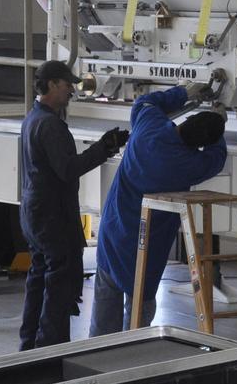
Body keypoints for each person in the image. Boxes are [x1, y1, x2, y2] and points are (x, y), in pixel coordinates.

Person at [89, 83, 228, 335]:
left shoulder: (148, 127)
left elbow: (146, 102)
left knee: (104, 309)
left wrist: (185, 93)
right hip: (146, 246)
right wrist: (220, 124)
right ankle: (132, 356)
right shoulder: (188, 164)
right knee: (138, 316)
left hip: (115, 231)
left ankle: (96, 354)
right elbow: (216, 159)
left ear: (187, 120)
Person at [19, 59, 128, 350]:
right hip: (52, 215)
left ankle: (29, 347)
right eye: (67, 85)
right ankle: (51, 351)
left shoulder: (32, 119)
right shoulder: (50, 125)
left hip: (34, 213)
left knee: (39, 278)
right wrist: (105, 148)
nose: (71, 90)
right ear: (52, 84)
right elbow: (67, 170)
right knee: (59, 282)